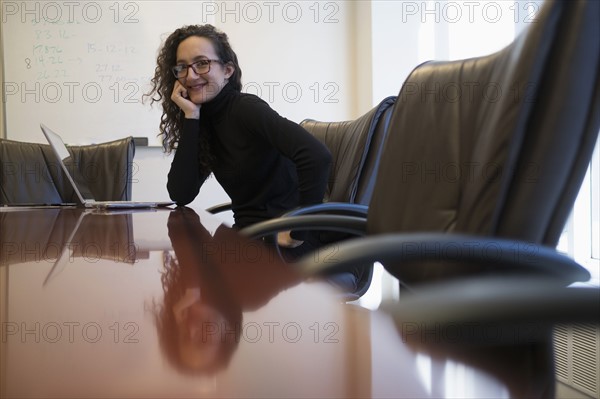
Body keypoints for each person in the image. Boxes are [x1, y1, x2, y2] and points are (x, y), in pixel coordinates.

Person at [145, 24, 332, 252]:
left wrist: (297, 232)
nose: (190, 75)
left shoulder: (245, 109)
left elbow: (317, 156)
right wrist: (191, 117)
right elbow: (181, 194)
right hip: (250, 239)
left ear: (227, 70)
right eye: (182, 67)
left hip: (285, 243)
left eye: (202, 63)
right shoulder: (204, 122)